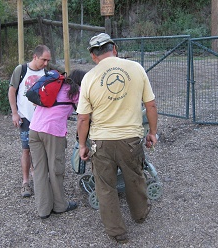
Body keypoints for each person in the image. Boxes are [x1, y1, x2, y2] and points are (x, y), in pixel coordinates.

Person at [76, 33, 158, 244]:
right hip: (130, 139)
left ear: (93, 56)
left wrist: (82, 145)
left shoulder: (89, 78)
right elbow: (151, 106)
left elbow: (83, 118)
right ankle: (140, 215)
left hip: (101, 142)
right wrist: (152, 133)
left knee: (105, 187)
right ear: (114, 49)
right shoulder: (137, 69)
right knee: (135, 177)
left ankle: (117, 231)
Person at [29, 69, 86, 219]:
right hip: (52, 132)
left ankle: (43, 210)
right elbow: (85, 115)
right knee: (56, 169)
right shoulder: (76, 91)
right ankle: (60, 206)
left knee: (40, 170)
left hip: (34, 129)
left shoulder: (56, 85)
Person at [8, 45, 63, 197]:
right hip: (25, 117)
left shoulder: (48, 73)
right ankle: (25, 182)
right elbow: (12, 91)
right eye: (44, 60)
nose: (46, 63)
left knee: (43, 150)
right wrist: (14, 113)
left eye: (48, 60)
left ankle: (39, 178)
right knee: (26, 150)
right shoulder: (21, 70)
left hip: (43, 119)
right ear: (35, 57)